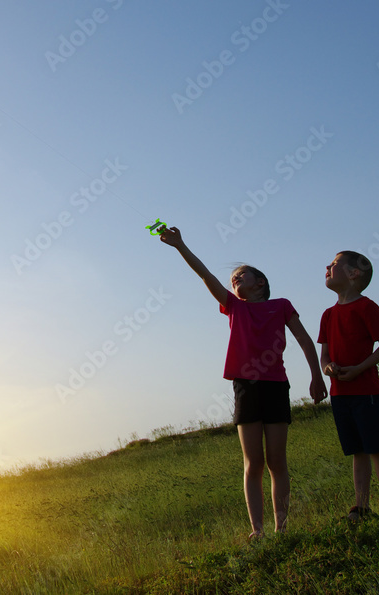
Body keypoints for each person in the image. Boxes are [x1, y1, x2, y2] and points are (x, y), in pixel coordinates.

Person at [159, 226, 327, 539]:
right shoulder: (234, 307)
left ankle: (282, 527)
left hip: (276, 385)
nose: (235, 278)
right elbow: (205, 275)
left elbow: (304, 339)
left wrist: (317, 376)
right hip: (245, 387)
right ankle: (258, 530)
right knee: (254, 463)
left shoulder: (281, 305)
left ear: (260, 282)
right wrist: (181, 245)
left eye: (242, 274)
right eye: (233, 277)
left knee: (278, 461)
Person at [318, 251, 379, 522]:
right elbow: (325, 356)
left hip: (366, 392)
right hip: (340, 394)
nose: (327, 267)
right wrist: (328, 368)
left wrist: (358, 369)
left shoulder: (367, 307)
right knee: (357, 450)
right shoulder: (328, 315)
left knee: (376, 447)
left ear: (354, 273)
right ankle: (361, 507)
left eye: (334, 264)